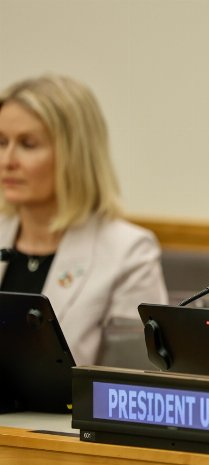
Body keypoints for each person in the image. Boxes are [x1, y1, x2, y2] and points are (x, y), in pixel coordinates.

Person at [0, 74, 168, 366]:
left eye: (28, 144)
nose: (7, 160)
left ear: (74, 154)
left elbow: (137, 375)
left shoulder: (129, 252)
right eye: (2, 142)